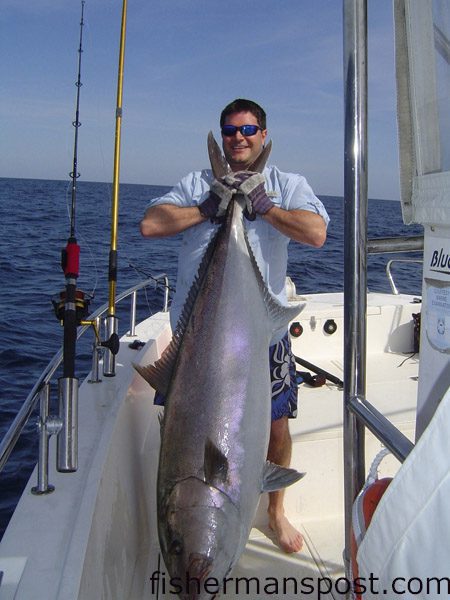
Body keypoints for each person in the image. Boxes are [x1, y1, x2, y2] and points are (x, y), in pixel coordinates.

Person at [140, 98, 329, 554]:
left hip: (265, 336)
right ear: (222, 136)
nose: (238, 138)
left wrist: (263, 207)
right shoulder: (196, 183)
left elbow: (316, 232)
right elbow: (150, 224)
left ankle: (274, 512)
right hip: (196, 341)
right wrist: (209, 207)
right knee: (182, 432)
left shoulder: (287, 184)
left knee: (276, 430)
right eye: (229, 131)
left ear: (263, 135)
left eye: (247, 130)